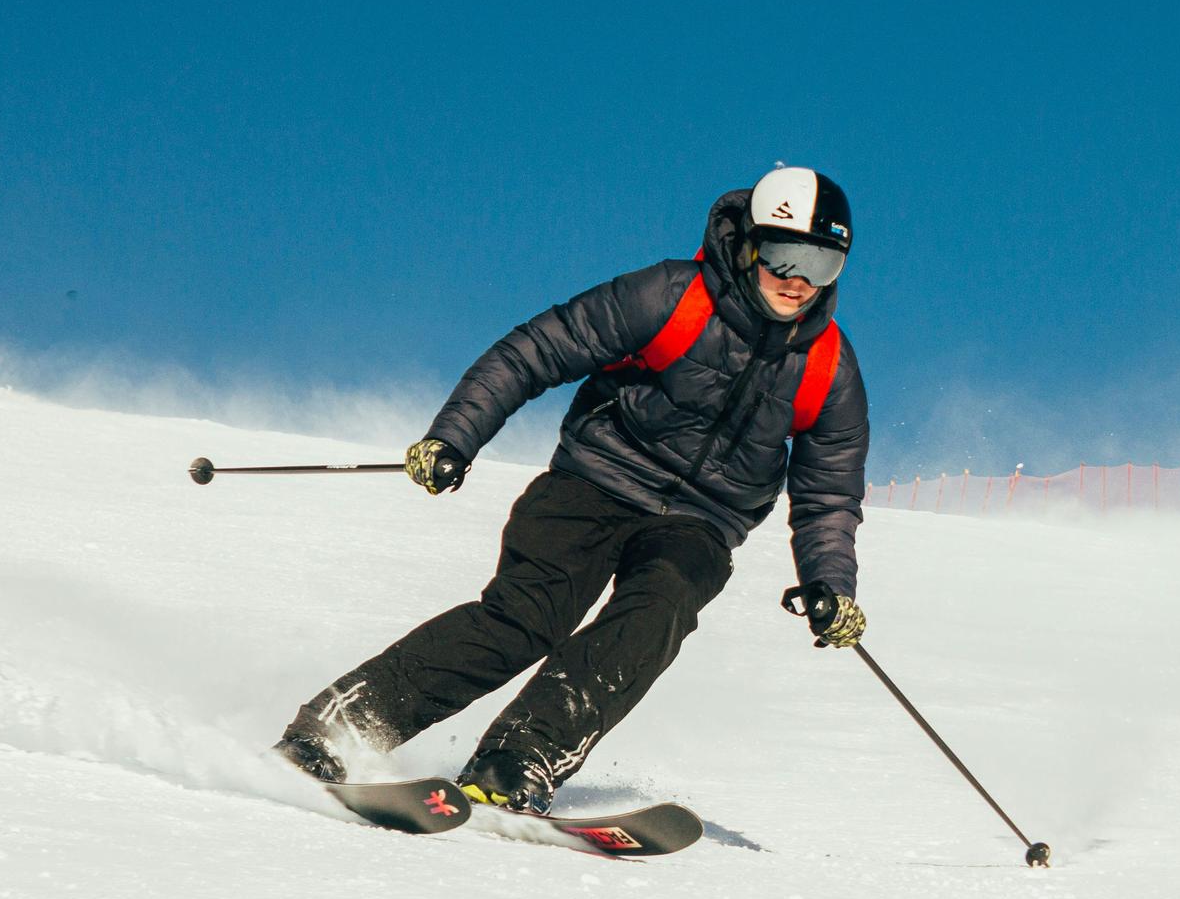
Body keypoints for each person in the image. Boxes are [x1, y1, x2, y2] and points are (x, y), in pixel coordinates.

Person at [274, 165, 870, 813]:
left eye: (821, 263)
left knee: (657, 612)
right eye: (785, 255)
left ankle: (519, 759)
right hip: (596, 478)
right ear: (752, 245)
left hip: (699, 523)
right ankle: (336, 729)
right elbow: (534, 350)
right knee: (524, 620)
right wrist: (454, 437)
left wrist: (831, 587)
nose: (797, 281)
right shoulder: (672, 297)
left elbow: (828, 495)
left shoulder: (827, 369)